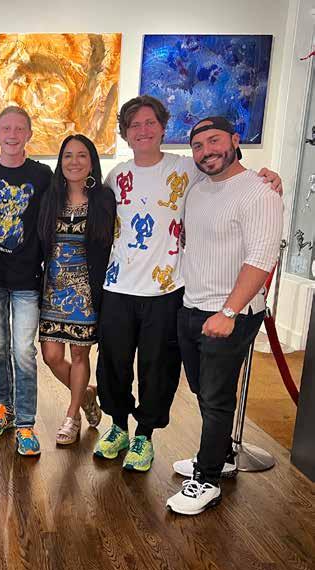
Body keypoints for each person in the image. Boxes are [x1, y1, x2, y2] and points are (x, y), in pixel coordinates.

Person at [94, 96, 282, 472]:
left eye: (150, 122)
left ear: (163, 127)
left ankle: (144, 435)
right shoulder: (115, 177)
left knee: (158, 368)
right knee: (112, 364)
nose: (143, 130)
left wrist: (269, 176)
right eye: (134, 125)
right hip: (118, 286)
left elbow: (229, 175)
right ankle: (117, 426)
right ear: (125, 134)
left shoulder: (187, 169)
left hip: (166, 290)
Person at [166, 117, 283, 515]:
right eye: (197, 146)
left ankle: (208, 478)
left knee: (215, 398)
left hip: (231, 312)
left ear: (235, 140)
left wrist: (229, 311)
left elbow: (261, 257)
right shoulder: (198, 188)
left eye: (214, 141)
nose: (206, 152)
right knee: (204, 390)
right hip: (192, 306)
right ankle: (223, 456)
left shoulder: (260, 191)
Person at [0, 106, 52, 456]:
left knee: (23, 351)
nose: (12, 134)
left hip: (27, 280)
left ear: (29, 134)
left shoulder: (42, 174)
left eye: (20, 129)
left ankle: (26, 423)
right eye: (6, 128)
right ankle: (3, 408)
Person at [37, 135, 116, 445]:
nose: (74, 162)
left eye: (82, 155)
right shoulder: (51, 198)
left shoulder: (104, 199)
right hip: (53, 290)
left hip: (85, 292)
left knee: (80, 355)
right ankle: (86, 394)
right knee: (51, 356)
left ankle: (72, 416)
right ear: (60, 162)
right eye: (68, 155)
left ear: (92, 162)